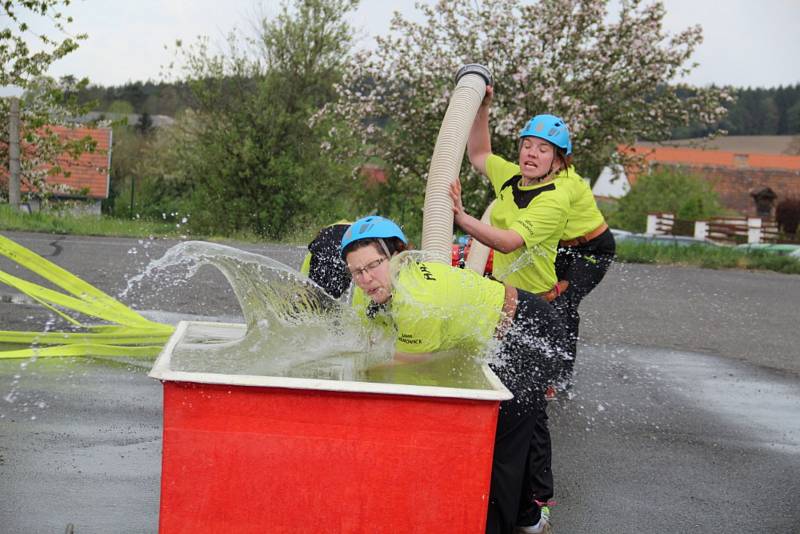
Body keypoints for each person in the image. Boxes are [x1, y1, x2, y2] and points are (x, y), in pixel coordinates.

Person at [340, 215, 567, 534]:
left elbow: (406, 365)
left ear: (398, 256)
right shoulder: (373, 291)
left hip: (529, 330)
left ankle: (497, 525)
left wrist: (350, 372)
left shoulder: (417, 301)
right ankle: (529, 517)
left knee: (499, 439)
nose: (365, 278)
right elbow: (363, 339)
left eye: (373, 265)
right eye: (356, 271)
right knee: (522, 426)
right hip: (497, 334)